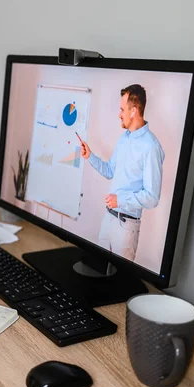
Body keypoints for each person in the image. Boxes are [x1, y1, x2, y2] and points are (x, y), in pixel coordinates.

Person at [79, 84, 165, 261]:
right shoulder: (124, 139)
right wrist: (90, 156)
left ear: (133, 111)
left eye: (122, 109)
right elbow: (111, 170)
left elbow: (152, 197)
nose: (119, 114)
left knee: (120, 282)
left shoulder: (151, 147)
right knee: (98, 272)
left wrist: (120, 200)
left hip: (126, 227)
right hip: (108, 219)